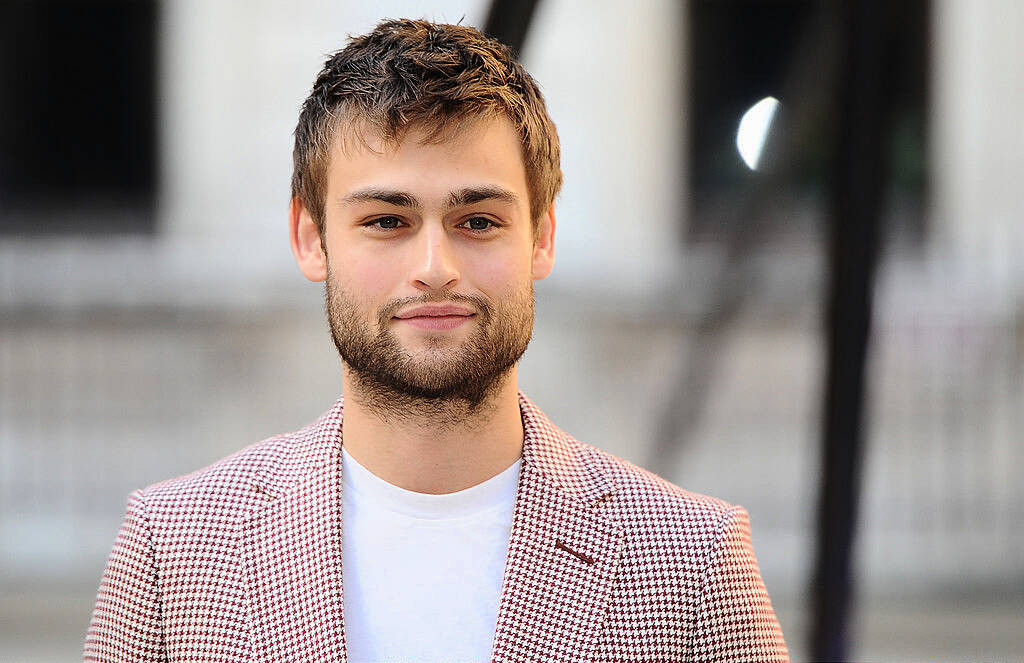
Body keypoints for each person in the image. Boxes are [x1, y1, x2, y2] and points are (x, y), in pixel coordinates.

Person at [84, 18, 789, 663]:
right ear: (310, 237)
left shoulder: (691, 561)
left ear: (542, 236)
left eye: (478, 220)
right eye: (387, 220)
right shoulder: (173, 551)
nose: (434, 269)